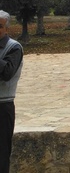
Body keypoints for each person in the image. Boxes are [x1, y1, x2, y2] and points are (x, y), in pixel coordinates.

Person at [0, 10, 22, 173]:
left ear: (7, 29)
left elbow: (7, 73)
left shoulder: (14, 48)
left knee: (1, 153)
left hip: (3, 107)